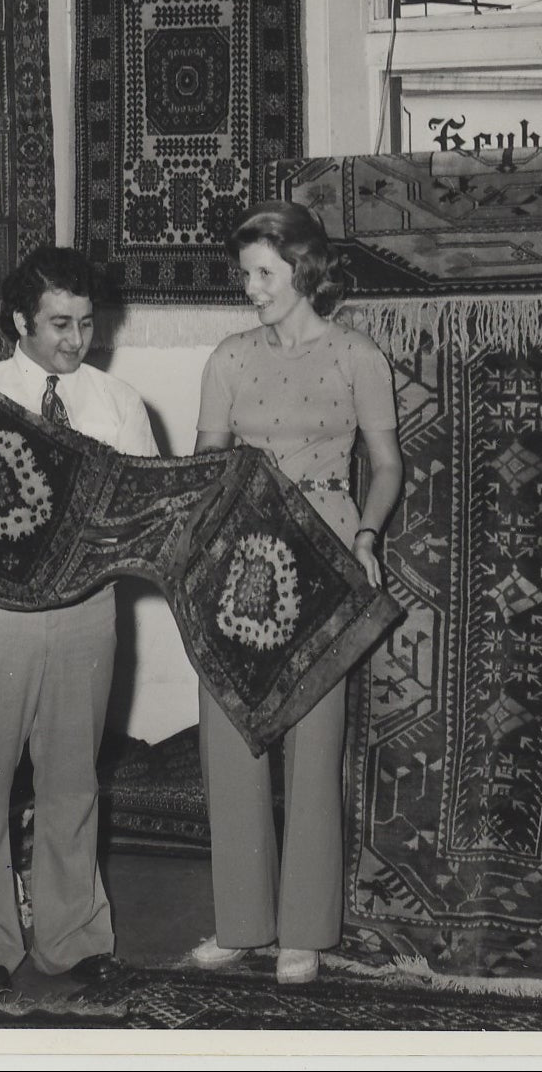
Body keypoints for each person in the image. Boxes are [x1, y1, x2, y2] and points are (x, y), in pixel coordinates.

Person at [189, 201, 404, 985]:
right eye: (244, 273)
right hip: (239, 562)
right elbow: (205, 467)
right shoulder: (228, 359)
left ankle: (304, 932)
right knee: (229, 736)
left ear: (305, 272)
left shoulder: (357, 357)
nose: (249, 289)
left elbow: (384, 467)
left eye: (264, 274)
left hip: (326, 559)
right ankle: (240, 924)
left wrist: (366, 536)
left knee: (315, 748)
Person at [0, 246, 158, 997]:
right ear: (19, 322)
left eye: (86, 323)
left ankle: (73, 939)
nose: (75, 339)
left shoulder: (117, 402)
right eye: (59, 323)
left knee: (71, 781)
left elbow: (143, 513)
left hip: (84, 614)